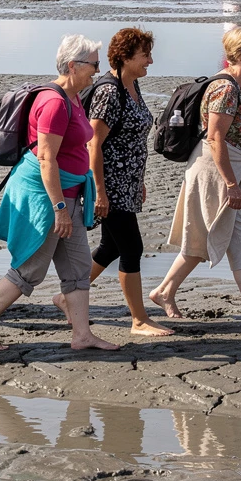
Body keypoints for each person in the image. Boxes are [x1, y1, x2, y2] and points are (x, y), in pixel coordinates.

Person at [0, 34, 119, 353]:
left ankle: (82, 335)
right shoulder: (53, 103)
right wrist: (60, 209)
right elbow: (46, 159)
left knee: (78, 269)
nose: (97, 70)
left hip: (68, 192)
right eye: (93, 64)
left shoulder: (75, 96)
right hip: (47, 196)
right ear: (72, 65)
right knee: (30, 267)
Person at [149, 26, 241, 323]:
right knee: (202, 238)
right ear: (238, 55)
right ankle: (163, 291)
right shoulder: (225, 88)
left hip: (230, 168)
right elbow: (214, 138)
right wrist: (231, 184)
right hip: (216, 170)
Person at [53, 27, 173, 337]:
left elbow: (131, 139)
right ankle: (139, 320)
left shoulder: (131, 86)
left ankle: (65, 299)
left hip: (127, 182)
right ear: (125, 57)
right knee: (132, 247)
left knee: (110, 247)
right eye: (144, 55)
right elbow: (93, 144)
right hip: (109, 185)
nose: (150, 60)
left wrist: (139, 180)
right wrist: (101, 193)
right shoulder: (109, 91)